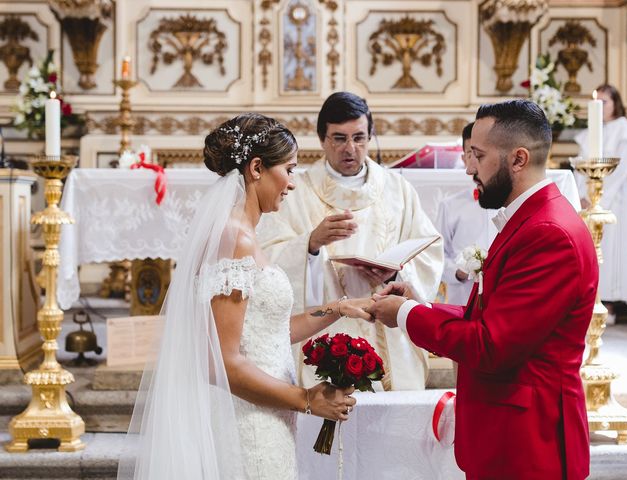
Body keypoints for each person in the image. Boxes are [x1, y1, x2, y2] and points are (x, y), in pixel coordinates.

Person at [118, 113, 372, 480]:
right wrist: (306, 399)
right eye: (289, 169)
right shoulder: (234, 239)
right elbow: (224, 362)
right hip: (249, 419)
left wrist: (336, 309)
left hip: (269, 412)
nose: (293, 183)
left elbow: (265, 333)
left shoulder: (246, 235)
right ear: (256, 168)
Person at [368, 100, 598, 480]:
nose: (469, 166)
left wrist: (405, 316)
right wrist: (418, 306)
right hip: (510, 432)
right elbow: (495, 318)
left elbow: (492, 346)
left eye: (477, 154)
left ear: (518, 159)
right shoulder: (530, 218)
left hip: (529, 442)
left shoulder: (547, 234)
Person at [257, 91, 444, 391]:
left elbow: (429, 250)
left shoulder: (397, 189)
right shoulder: (296, 191)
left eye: (359, 138)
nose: (351, 148)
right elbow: (267, 257)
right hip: (324, 332)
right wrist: (311, 245)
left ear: (370, 136)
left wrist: (395, 273)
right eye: (339, 138)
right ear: (321, 139)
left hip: (387, 328)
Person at [575, 84, 627, 316]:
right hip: (588, 198)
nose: (601, 107)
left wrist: (598, 198)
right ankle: (589, 299)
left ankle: (610, 302)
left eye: (605, 102)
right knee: (590, 249)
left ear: (616, 104)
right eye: (597, 103)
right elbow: (582, 166)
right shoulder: (593, 130)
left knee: (612, 249)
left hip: (615, 199)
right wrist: (581, 196)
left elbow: (621, 169)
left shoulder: (626, 130)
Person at [435, 121, 498, 305]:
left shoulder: (509, 201)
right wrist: (457, 271)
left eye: (482, 154)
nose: (476, 161)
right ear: (464, 159)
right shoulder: (450, 205)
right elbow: (436, 255)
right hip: (462, 297)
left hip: (501, 295)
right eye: (471, 154)